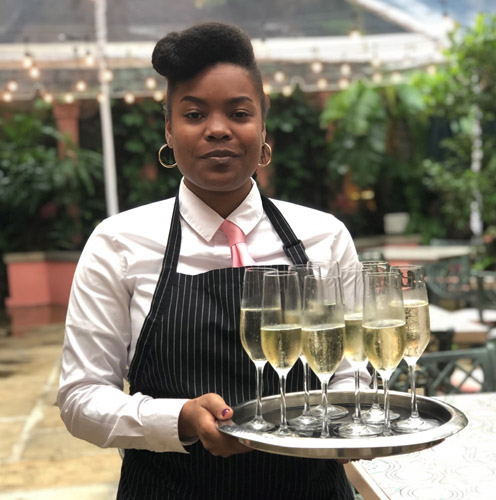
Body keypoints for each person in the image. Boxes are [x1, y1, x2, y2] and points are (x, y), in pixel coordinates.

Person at [57, 21, 369, 500]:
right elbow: (80, 398)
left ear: (263, 127)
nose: (218, 129)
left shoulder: (323, 236)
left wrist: (354, 427)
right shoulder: (118, 243)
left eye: (239, 113)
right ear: (169, 129)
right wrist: (177, 418)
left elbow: (351, 378)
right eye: (195, 113)